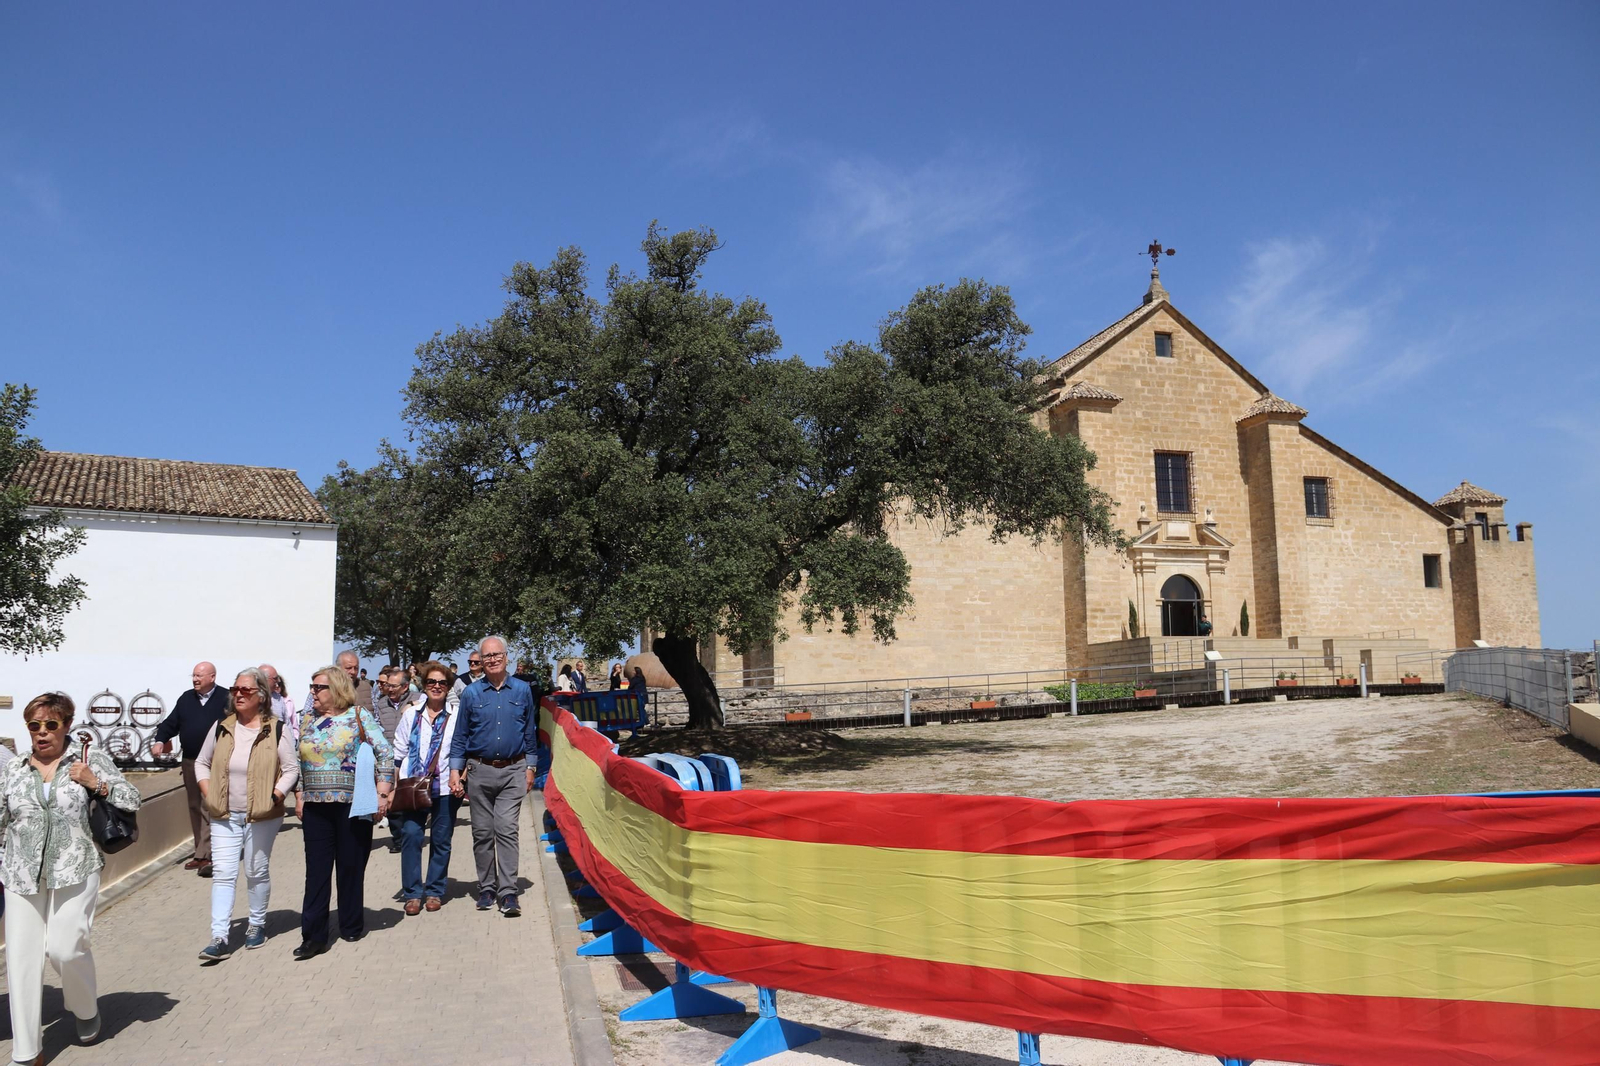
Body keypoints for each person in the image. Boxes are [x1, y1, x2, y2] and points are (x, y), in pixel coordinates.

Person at [1, 693, 141, 1065]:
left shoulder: (88, 759)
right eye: (34, 725)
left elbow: (132, 799)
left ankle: (84, 1006)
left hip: (76, 866)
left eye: (51, 724)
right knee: (21, 959)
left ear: (66, 725)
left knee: (64, 949)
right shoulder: (14, 768)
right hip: (20, 872)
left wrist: (97, 783)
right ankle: (27, 1052)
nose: (42, 732)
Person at [193, 668, 298, 961]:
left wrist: (275, 796)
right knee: (223, 874)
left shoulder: (276, 729)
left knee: (255, 871)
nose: (238, 694)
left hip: (262, 815)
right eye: (235, 689)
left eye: (246, 690)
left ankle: (256, 924)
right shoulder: (221, 727)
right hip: (224, 814)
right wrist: (208, 792)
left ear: (261, 696)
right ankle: (219, 936)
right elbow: (201, 763)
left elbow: (291, 769)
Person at [294, 666, 393, 959]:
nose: (313, 692)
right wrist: (299, 794)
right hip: (315, 806)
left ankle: (351, 923)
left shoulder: (358, 716)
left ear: (336, 689)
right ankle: (313, 936)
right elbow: (300, 761)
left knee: (350, 867)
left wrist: (382, 793)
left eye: (318, 687)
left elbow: (385, 752)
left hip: (353, 805)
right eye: (312, 686)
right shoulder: (307, 719)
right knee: (316, 872)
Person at [449, 635, 538, 917]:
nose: (492, 659)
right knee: (482, 832)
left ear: (506, 657)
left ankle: (508, 892)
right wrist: (455, 770)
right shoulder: (471, 694)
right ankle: (487, 887)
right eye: (487, 656)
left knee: (507, 829)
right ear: (481, 660)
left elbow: (530, 732)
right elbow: (460, 735)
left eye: (497, 654)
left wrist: (531, 767)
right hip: (479, 771)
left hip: (513, 770)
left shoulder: (522, 690)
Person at [393, 661, 462, 915]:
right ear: (424, 685)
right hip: (413, 787)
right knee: (411, 836)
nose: (436, 686)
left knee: (441, 840)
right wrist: (393, 787)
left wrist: (461, 778)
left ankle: (434, 890)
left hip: (444, 787)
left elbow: (462, 750)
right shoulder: (412, 714)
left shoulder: (457, 716)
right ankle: (412, 893)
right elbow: (398, 751)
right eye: (431, 682)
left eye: (442, 683)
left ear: (448, 687)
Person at [151, 662, 231, 876]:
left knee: (209, 805)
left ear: (212, 677)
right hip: (190, 760)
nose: (195, 679)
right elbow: (171, 723)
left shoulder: (226, 698)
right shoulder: (186, 698)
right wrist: (160, 740)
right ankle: (201, 850)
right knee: (195, 806)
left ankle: (206, 854)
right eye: (193, 676)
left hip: (216, 761)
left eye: (199, 676)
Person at [371, 667, 422, 852]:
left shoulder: (418, 699)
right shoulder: (381, 703)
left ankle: (412, 834)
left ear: (405, 686)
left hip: (411, 757)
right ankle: (398, 838)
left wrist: (413, 705)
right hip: (388, 756)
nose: (390, 689)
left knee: (409, 797)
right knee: (391, 797)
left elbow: (430, 702)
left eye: (394, 686)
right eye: (388, 685)